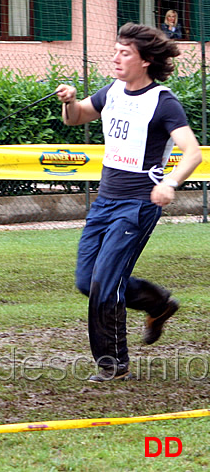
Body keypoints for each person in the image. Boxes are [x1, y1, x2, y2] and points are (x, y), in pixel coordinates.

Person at [55, 23, 202, 382]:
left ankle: (112, 364)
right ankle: (157, 303)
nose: (116, 57)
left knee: (106, 282)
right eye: (116, 50)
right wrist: (70, 102)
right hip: (105, 202)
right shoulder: (113, 92)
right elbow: (76, 119)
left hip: (137, 204)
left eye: (125, 53)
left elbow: (192, 153)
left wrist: (170, 182)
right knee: (87, 281)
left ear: (146, 61)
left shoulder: (163, 102)